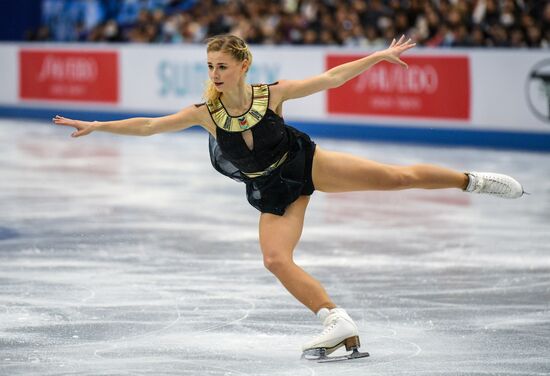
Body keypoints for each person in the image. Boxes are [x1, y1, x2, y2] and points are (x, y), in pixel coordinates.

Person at [53, 34, 524, 361]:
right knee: (276, 259)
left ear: (242, 66)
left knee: (396, 178)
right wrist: (98, 125)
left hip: (305, 163)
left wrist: (377, 57)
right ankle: (335, 320)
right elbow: (150, 126)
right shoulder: (205, 114)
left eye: (222, 66)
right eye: (210, 67)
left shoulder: (271, 95)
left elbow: (332, 79)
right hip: (272, 189)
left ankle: (473, 181)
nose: (215, 74)